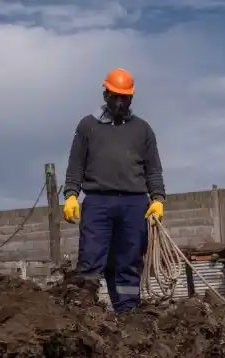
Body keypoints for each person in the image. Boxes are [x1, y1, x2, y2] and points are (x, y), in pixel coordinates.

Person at [62, 68, 166, 314]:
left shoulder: (143, 130)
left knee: (128, 262)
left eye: (125, 97)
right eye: (115, 96)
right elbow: (76, 164)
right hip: (98, 201)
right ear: (105, 93)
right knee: (91, 259)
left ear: (131, 98)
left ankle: (128, 312)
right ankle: (84, 311)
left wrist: (158, 199)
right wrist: (71, 195)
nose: (119, 102)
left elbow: (153, 169)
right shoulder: (88, 126)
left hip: (134, 204)